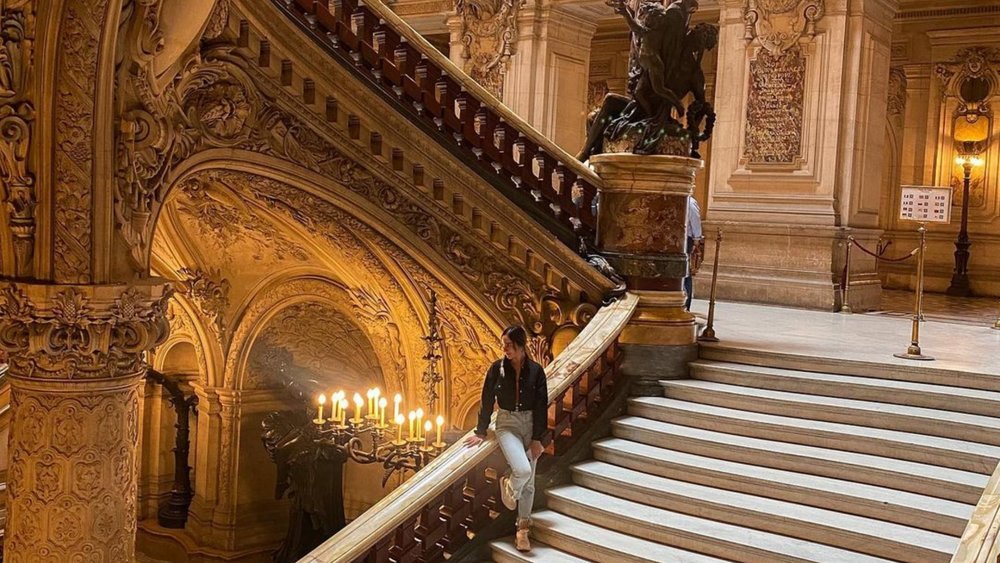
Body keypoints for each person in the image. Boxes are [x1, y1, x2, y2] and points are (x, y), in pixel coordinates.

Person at [464, 326, 547, 552]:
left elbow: (541, 406)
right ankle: (507, 485)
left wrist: (537, 438)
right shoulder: (496, 369)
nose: (505, 349)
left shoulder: (536, 371)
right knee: (522, 470)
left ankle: (523, 531)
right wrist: (481, 431)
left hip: (530, 424)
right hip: (507, 424)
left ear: (521, 346)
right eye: (504, 345)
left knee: (529, 485)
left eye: (509, 345)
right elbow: (487, 399)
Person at [685, 195, 703, 310]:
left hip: (686, 240)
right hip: (678, 239)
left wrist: (696, 240)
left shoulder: (690, 203)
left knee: (686, 273)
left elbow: (695, 221)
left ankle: (686, 305)